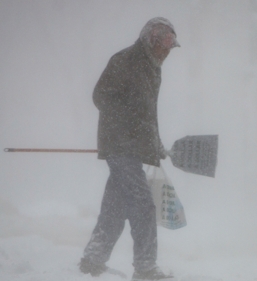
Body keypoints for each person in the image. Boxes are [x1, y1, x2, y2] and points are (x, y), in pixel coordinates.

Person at [79, 17, 180, 280]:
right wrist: (128, 126)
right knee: (143, 206)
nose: (167, 52)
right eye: (164, 46)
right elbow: (100, 96)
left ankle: (92, 259)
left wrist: (154, 143)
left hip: (134, 148)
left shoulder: (151, 67)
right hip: (120, 146)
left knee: (116, 207)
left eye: (171, 48)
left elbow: (147, 114)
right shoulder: (125, 61)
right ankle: (145, 268)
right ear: (151, 40)